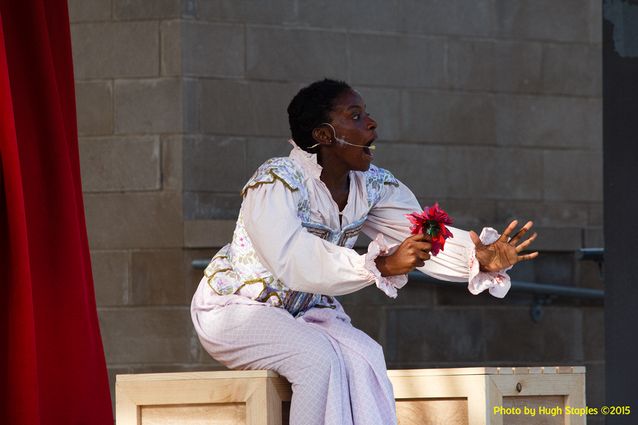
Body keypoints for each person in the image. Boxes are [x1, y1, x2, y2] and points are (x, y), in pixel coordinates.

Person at [190, 79, 538, 425]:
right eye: (355, 116)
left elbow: (421, 233)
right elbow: (291, 257)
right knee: (317, 359)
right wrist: (381, 265)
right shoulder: (277, 181)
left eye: (366, 114)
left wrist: (477, 256)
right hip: (235, 308)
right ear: (325, 135)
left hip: (306, 315)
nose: (371, 123)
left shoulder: (371, 185)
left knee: (367, 357)